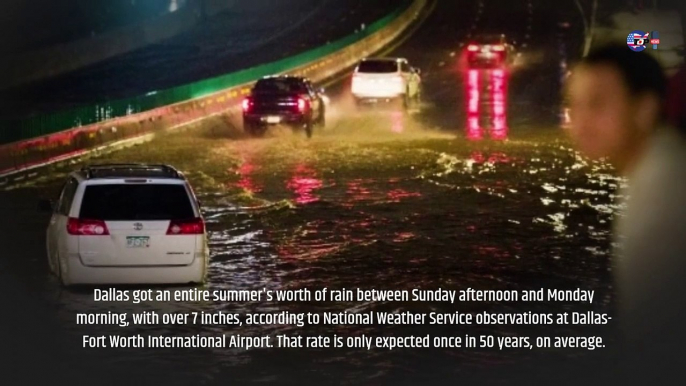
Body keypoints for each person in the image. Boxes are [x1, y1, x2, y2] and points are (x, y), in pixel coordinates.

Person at [566, 44, 686, 383]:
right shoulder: (661, 164)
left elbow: (659, 343)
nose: (581, 122)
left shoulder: (661, 197)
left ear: (644, 109)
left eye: (598, 104)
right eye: (574, 106)